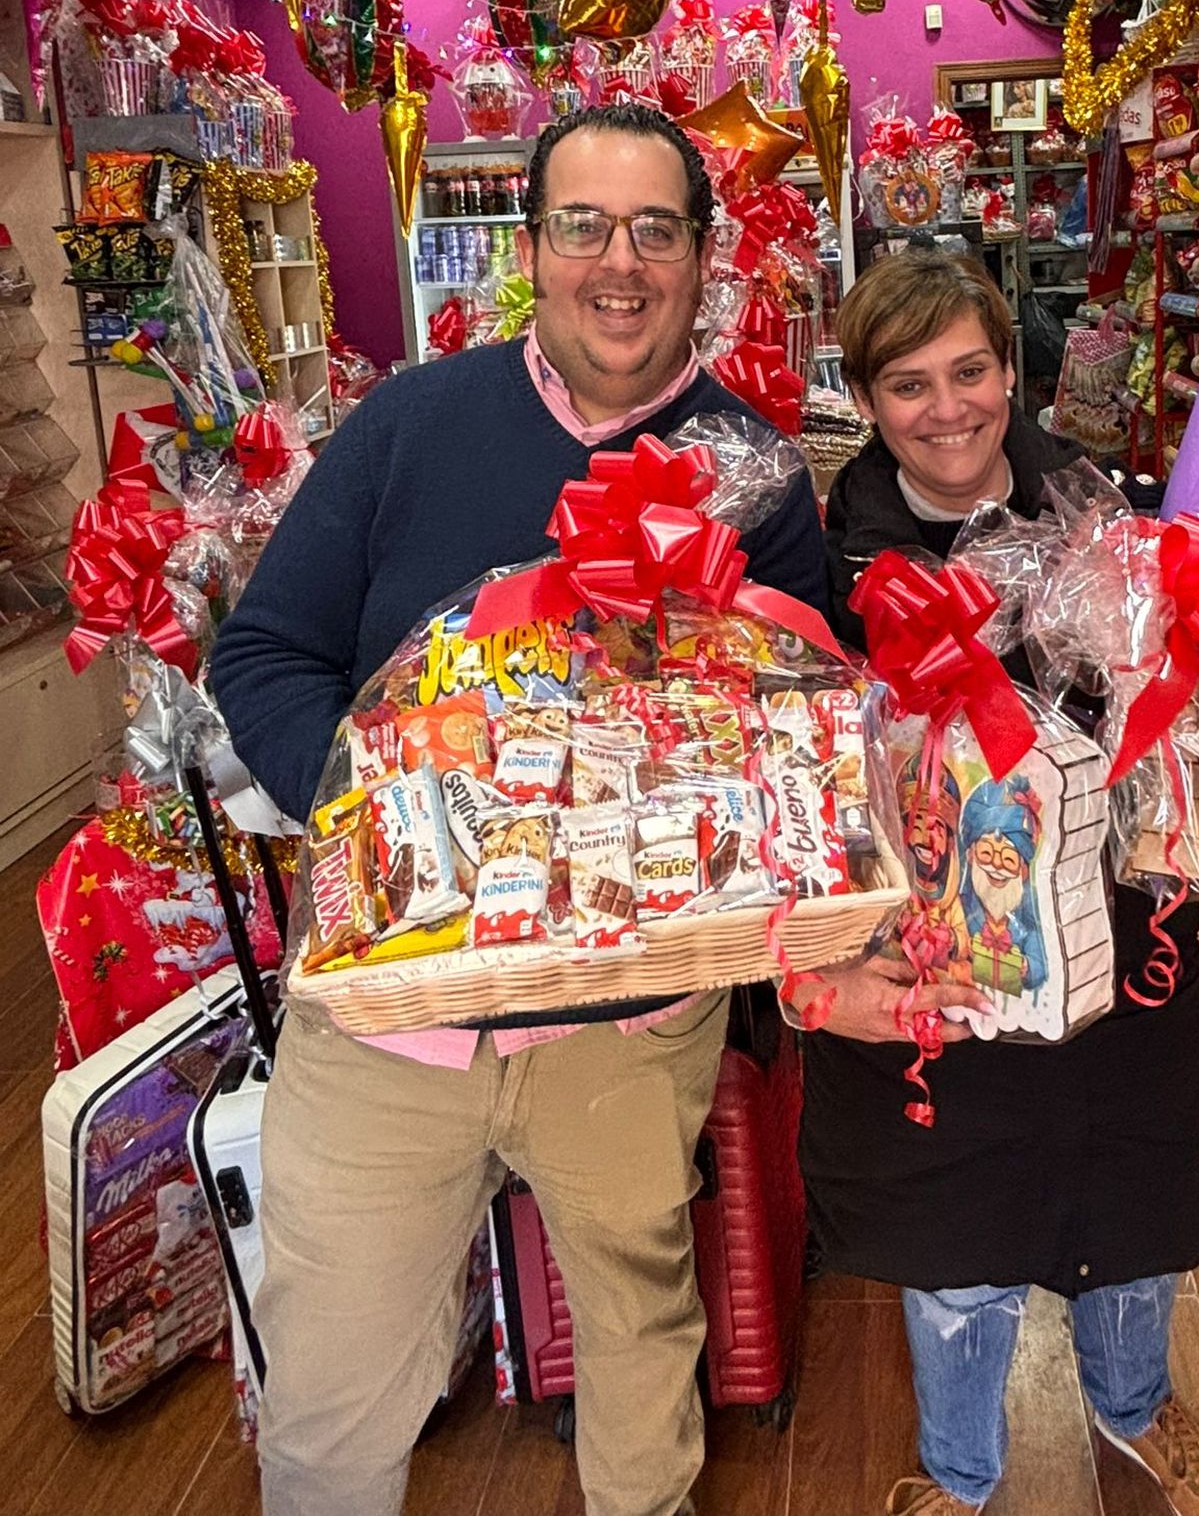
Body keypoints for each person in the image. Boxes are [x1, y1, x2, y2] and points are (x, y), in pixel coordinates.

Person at [210, 106, 829, 1516]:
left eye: (656, 230)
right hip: (385, 1019)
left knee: (643, 1339)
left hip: (629, 1026)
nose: (621, 263)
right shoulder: (409, 425)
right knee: (332, 1396)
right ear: (532, 248)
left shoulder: (752, 477)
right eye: (583, 226)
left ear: (702, 256)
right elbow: (266, 652)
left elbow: (802, 724)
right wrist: (382, 812)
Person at [796, 250, 1199, 1516]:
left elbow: (1195, 681)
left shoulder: (1109, 519)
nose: (947, 409)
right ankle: (960, 1470)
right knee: (957, 1242)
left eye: (971, 372)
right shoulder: (835, 574)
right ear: (865, 401)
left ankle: (1133, 1405)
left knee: (1138, 1203)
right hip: (947, 954)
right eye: (908, 385)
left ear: (1012, 369)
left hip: (1122, 930)